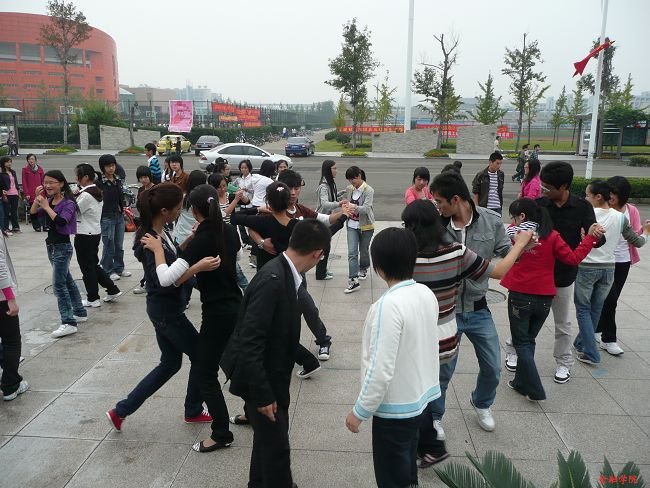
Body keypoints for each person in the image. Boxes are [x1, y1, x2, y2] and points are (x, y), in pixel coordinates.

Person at [402, 199, 535, 466]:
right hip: (441, 330)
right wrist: (520, 244)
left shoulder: (412, 254)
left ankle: (464, 415)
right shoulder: (451, 252)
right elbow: (498, 271)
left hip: (443, 324)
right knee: (436, 379)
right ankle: (432, 429)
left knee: (479, 369)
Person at [220, 219, 331, 488]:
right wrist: (262, 394)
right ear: (317, 254)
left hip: (272, 375)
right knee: (277, 451)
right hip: (262, 380)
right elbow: (250, 340)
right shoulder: (273, 280)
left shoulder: (285, 272)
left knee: (267, 442)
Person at [106, 183, 220, 432]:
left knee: (170, 363)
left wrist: (190, 239)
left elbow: (172, 257)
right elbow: (163, 279)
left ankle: (120, 411)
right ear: (165, 211)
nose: (181, 211)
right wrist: (197, 266)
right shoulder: (150, 241)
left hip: (163, 309)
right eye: (178, 208)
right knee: (201, 356)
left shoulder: (161, 232)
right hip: (167, 311)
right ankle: (193, 409)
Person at [345, 227, 440, 488]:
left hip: (394, 410)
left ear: (379, 268)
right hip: (420, 399)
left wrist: (360, 411)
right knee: (407, 462)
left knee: (391, 475)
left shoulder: (387, 306)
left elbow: (380, 368)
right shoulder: (425, 293)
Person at [429, 171, 510, 434]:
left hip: (477, 308)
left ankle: (482, 402)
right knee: (443, 370)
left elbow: (506, 251)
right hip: (446, 311)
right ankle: (435, 416)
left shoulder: (491, 220)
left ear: (456, 199)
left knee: (493, 366)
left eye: (440, 201)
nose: (438, 207)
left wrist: (524, 247)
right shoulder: (436, 225)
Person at [501, 198, 600, 402]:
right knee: (528, 340)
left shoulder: (516, 233)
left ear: (522, 216)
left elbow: (508, 236)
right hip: (544, 297)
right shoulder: (553, 236)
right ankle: (520, 382)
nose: (512, 221)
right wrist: (590, 238)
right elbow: (573, 259)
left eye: (514, 217)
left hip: (520, 294)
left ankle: (534, 388)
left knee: (522, 342)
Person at [182, 184, 242, 452]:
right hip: (237, 305)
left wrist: (189, 247)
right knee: (239, 364)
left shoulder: (200, 241)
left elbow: (175, 277)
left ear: (195, 211)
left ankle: (221, 433)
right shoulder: (228, 231)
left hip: (216, 313)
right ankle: (253, 412)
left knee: (205, 373)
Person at [534, 162, 600, 384]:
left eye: (548, 187)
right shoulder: (539, 205)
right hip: (537, 273)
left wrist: (595, 236)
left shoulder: (582, 207)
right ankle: (515, 350)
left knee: (562, 323)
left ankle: (564, 362)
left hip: (564, 274)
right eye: (542, 185)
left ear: (563, 186)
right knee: (526, 318)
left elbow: (594, 235)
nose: (543, 190)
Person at [573, 180, 649, 366]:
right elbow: (638, 242)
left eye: (587, 195)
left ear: (598, 197)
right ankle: (580, 342)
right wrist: (646, 231)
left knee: (583, 309)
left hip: (587, 267)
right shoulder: (620, 217)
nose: (585, 198)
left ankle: (591, 353)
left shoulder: (586, 215)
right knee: (596, 308)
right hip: (608, 269)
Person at [30, 170, 87, 338]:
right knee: (67, 280)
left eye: (51, 182)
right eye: (45, 182)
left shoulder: (68, 203)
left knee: (58, 285)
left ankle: (68, 322)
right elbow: (34, 218)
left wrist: (46, 207)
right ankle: (79, 312)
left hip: (62, 247)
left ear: (61, 184)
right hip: (52, 246)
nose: (47, 185)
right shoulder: (48, 201)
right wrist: (37, 200)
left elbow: (62, 221)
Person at [596, 176, 646, 356]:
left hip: (623, 261)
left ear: (623, 195)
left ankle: (595, 329)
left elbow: (636, 235)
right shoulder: (601, 208)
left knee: (611, 299)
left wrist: (645, 231)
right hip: (603, 261)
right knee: (609, 300)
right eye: (609, 192)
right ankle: (609, 339)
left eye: (614, 194)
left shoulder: (631, 211)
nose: (610, 196)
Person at [74, 164, 122, 308]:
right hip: (94, 232)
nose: (76, 178)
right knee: (93, 265)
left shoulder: (86, 195)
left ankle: (93, 298)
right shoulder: (95, 191)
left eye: (77, 176)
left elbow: (74, 211)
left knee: (87, 268)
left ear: (85, 177)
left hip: (84, 234)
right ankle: (112, 289)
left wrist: (71, 197)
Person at [0, 230, 27, 401]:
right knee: (11, 340)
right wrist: (10, 298)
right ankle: (11, 385)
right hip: (2, 298)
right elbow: (1, 268)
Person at [96, 154, 131, 281]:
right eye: (108, 166)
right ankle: (108, 270)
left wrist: (123, 211)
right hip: (106, 217)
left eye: (113, 165)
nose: (111, 168)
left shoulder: (117, 180)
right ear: (103, 167)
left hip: (119, 216)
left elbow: (120, 197)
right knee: (109, 245)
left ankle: (119, 268)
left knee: (118, 245)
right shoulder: (99, 183)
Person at [343, 165, 375, 294]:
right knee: (352, 253)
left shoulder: (369, 190)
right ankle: (353, 280)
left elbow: (366, 209)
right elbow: (346, 199)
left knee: (364, 251)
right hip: (351, 225)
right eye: (349, 179)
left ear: (360, 176)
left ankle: (364, 267)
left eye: (354, 179)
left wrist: (353, 206)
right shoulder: (349, 188)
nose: (352, 182)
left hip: (366, 226)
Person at [315, 159, 347, 280]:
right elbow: (325, 204)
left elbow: (331, 197)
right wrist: (339, 204)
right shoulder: (323, 186)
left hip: (328, 219)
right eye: (334, 168)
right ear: (328, 170)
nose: (336, 171)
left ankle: (323, 270)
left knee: (325, 246)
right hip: (322, 219)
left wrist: (341, 193)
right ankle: (320, 273)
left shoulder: (330, 183)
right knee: (324, 247)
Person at [133, 166, 156, 295]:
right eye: (141, 178)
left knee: (150, 256)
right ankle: (147, 281)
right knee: (143, 255)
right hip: (143, 226)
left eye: (145, 177)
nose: (143, 180)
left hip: (153, 226)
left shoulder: (156, 189)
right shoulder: (141, 190)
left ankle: (149, 282)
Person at [21, 154, 45, 232]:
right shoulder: (25, 169)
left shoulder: (40, 169)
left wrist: (44, 191)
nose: (31, 160)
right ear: (27, 160)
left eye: (32, 159)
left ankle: (44, 225)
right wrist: (26, 193)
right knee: (33, 210)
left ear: (35, 160)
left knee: (43, 209)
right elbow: (24, 182)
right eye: (29, 159)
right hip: (31, 193)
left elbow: (43, 181)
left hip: (40, 192)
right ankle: (36, 226)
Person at [0, 157, 21, 234]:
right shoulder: (1, 173)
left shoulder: (13, 172)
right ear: (3, 163)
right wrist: (3, 194)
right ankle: (6, 228)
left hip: (14, 194)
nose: (9, 163)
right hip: (6, 194)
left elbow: (16, 183)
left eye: (10, 162)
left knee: (14, 212)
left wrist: (18, 192)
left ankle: (16, 227)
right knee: (6, 212)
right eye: (7, 162)